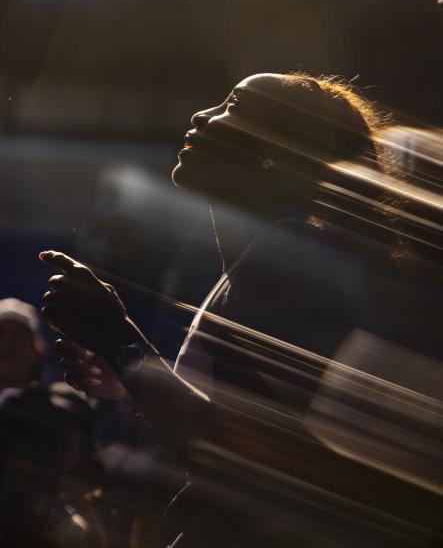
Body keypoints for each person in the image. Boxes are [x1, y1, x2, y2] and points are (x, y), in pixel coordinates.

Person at [40, 73, 442, 547]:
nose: (200, 115)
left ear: (277, 154)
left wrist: (124, 347)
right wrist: (128, 378)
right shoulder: (271, 260)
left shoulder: (287, 261)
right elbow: (262, 419)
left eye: (234, 104)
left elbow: (284, 461)